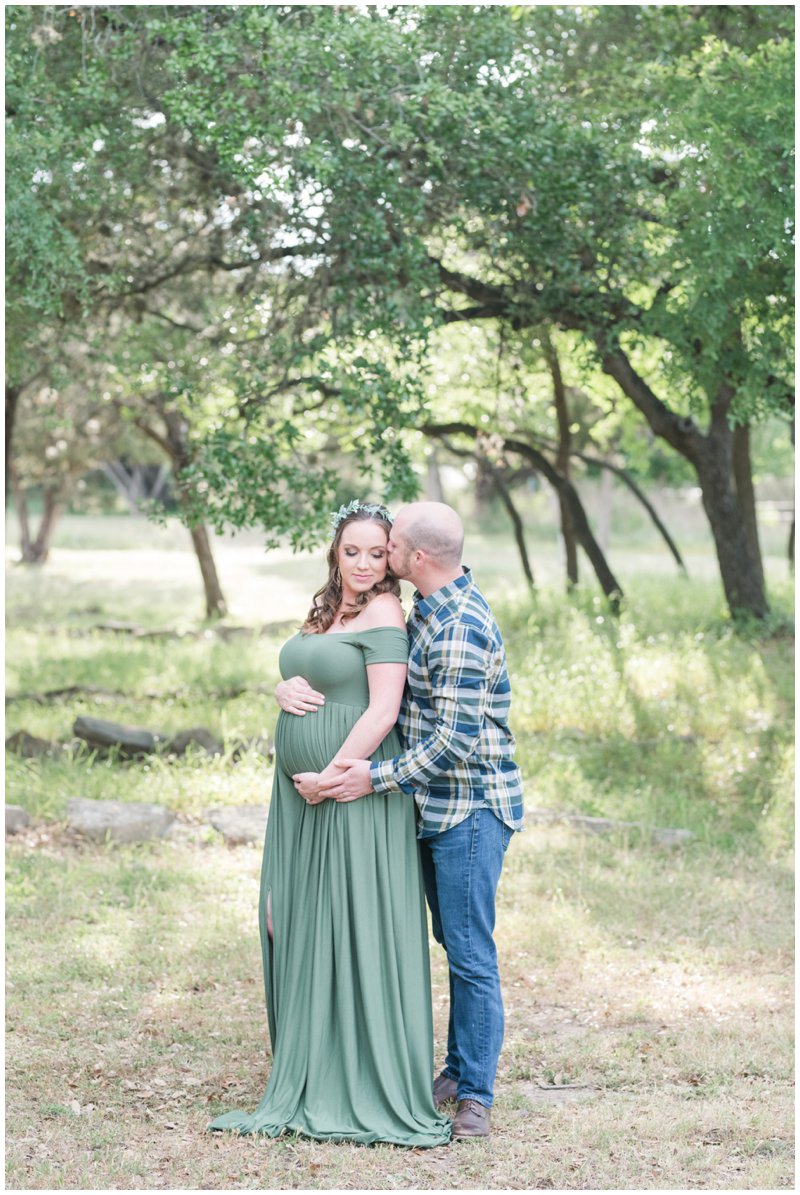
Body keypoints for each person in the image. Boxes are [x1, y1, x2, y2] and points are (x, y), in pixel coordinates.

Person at [208, 500, 450, 1148]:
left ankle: (354, 1072)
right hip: (299, 798)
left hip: (351, 794)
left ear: (391, 558)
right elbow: (311, 672)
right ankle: (313, 1057)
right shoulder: (326, 608)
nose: (366, 563)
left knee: (350, 919)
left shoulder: (385, 612)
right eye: (353, 551)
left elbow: (383, 708)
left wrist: (337, 772)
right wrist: (283, 685)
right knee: (292, 914)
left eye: (378, 552)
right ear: (335, 553)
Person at [316, 501, 525, 1140]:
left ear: (418, 559)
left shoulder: (461, 623)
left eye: (393, 545)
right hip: (436, 807)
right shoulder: (429, 612)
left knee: (469, 952)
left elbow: (454, 742)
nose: (384, 552)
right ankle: (457, 1069)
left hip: (469, 809)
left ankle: (476, 1098)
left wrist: (370, 777)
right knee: (453, 944)